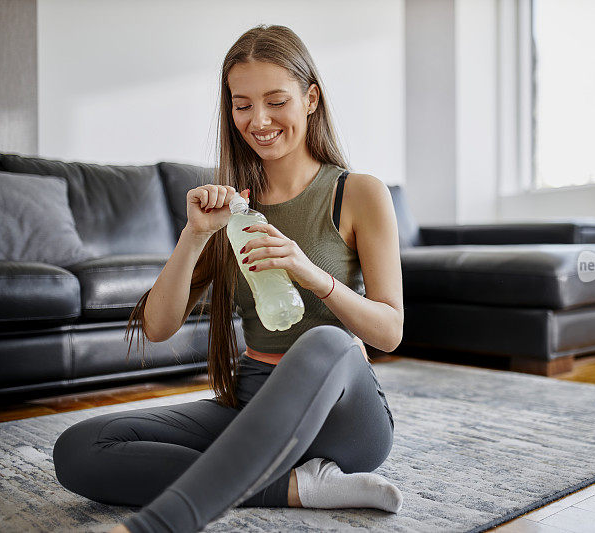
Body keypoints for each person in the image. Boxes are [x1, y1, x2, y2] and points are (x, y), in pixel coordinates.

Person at [51, 24, 404, 533]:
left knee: (325, 340)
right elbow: (157, 327)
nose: (258, 121)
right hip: (251, 402)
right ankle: (298, 487)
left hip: (344, 417)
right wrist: (194, 235)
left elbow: (389, 332)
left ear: (310, 99)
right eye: (242, 105)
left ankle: (164, 522)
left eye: (276, 101)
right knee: (80, 448)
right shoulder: (231, 208)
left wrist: (309, 273)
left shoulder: (359, 193)